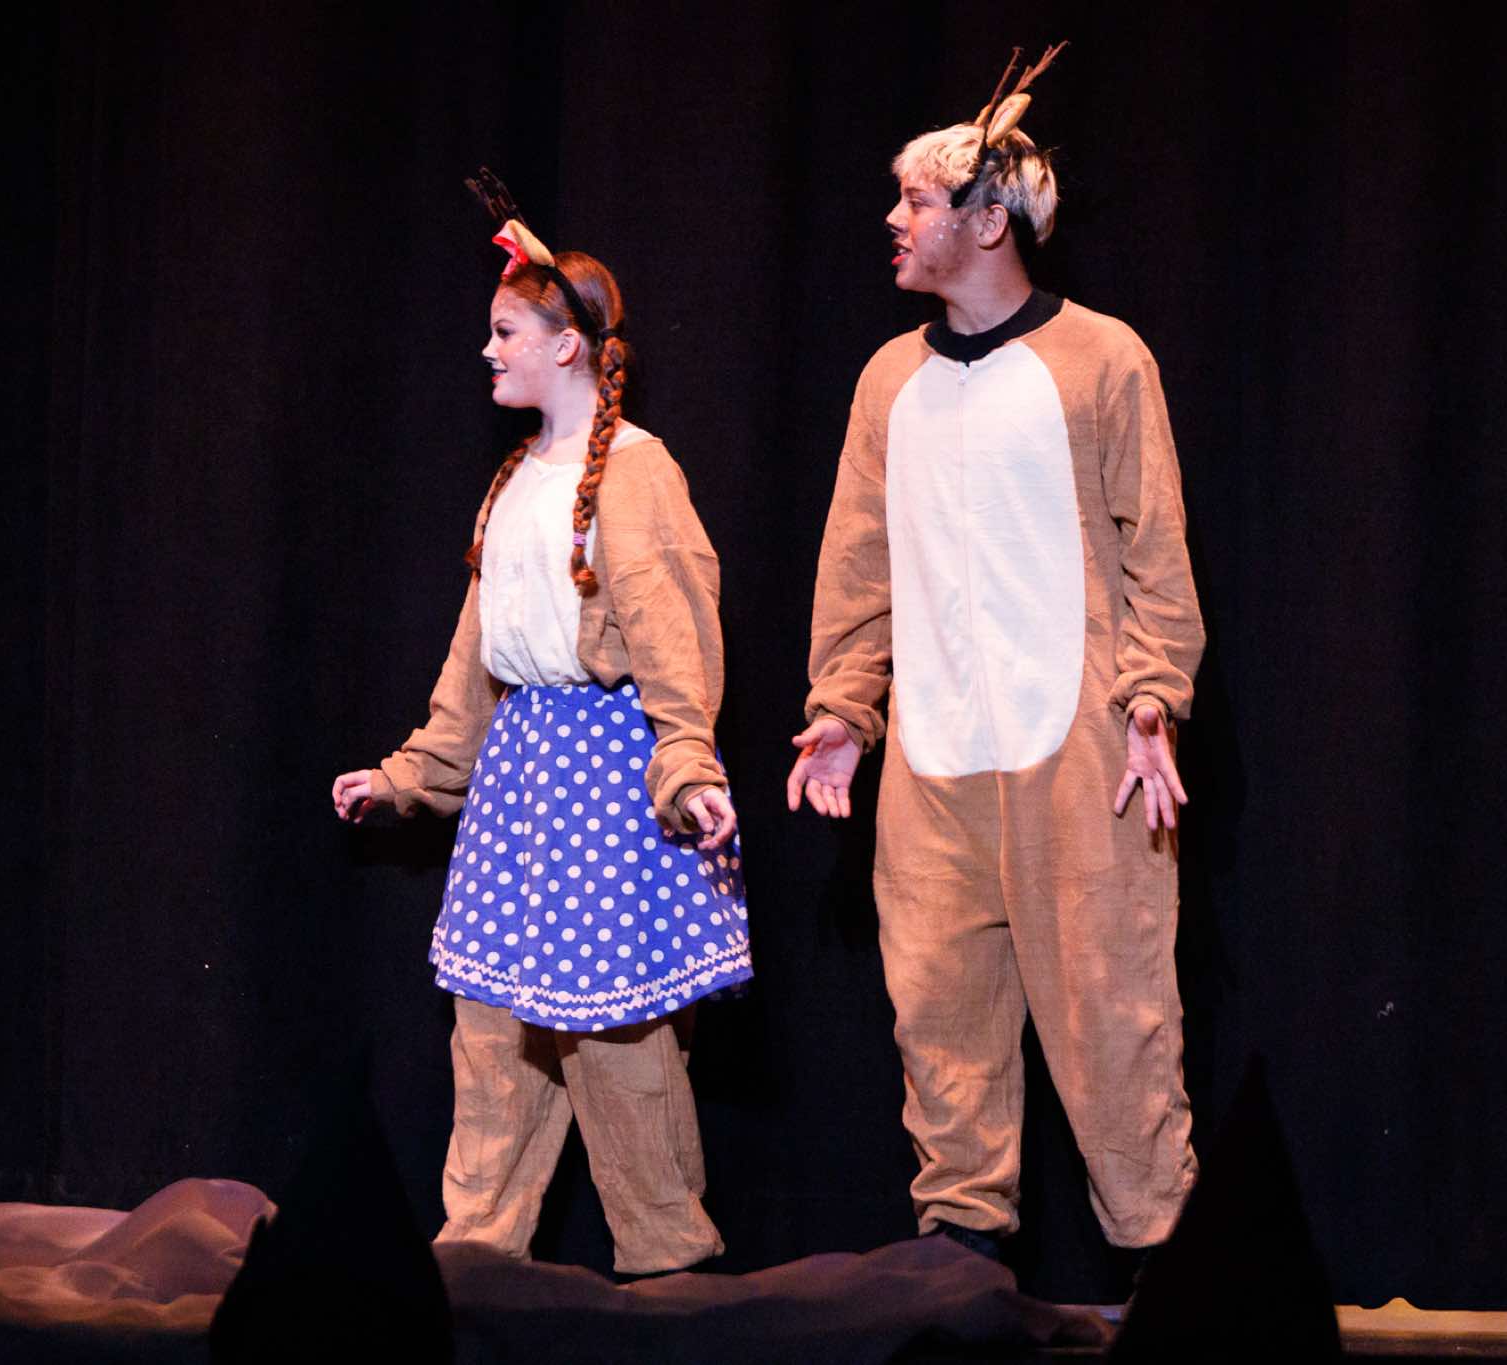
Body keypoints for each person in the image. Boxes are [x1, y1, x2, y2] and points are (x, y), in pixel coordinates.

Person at [787, 47, 1206, 1261]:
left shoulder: (1101, 359)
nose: (892, 219)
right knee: (939, 1030)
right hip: (932, 766)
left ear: (985, 219)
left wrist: (1150, 696)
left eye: (914, 199)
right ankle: (958, 1280)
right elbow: (857, 564)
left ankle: (1166, 1273)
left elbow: (1154, 549)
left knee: (1114, 1020)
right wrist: (841, 709)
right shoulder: (888, 381)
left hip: (1080, 757)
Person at [333, 177, 749, 1276]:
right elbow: (474, 657)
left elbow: (672, 632)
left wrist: (688, 766)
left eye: (506, 332)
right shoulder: (516, 478)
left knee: (613, 1039)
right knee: (491, 1036)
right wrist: (411, 773)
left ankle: (670, 1267)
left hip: (606, 779)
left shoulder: (637, 473)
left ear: (568, 347)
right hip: (519, 782)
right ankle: (474, 1268)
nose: (487, 350)